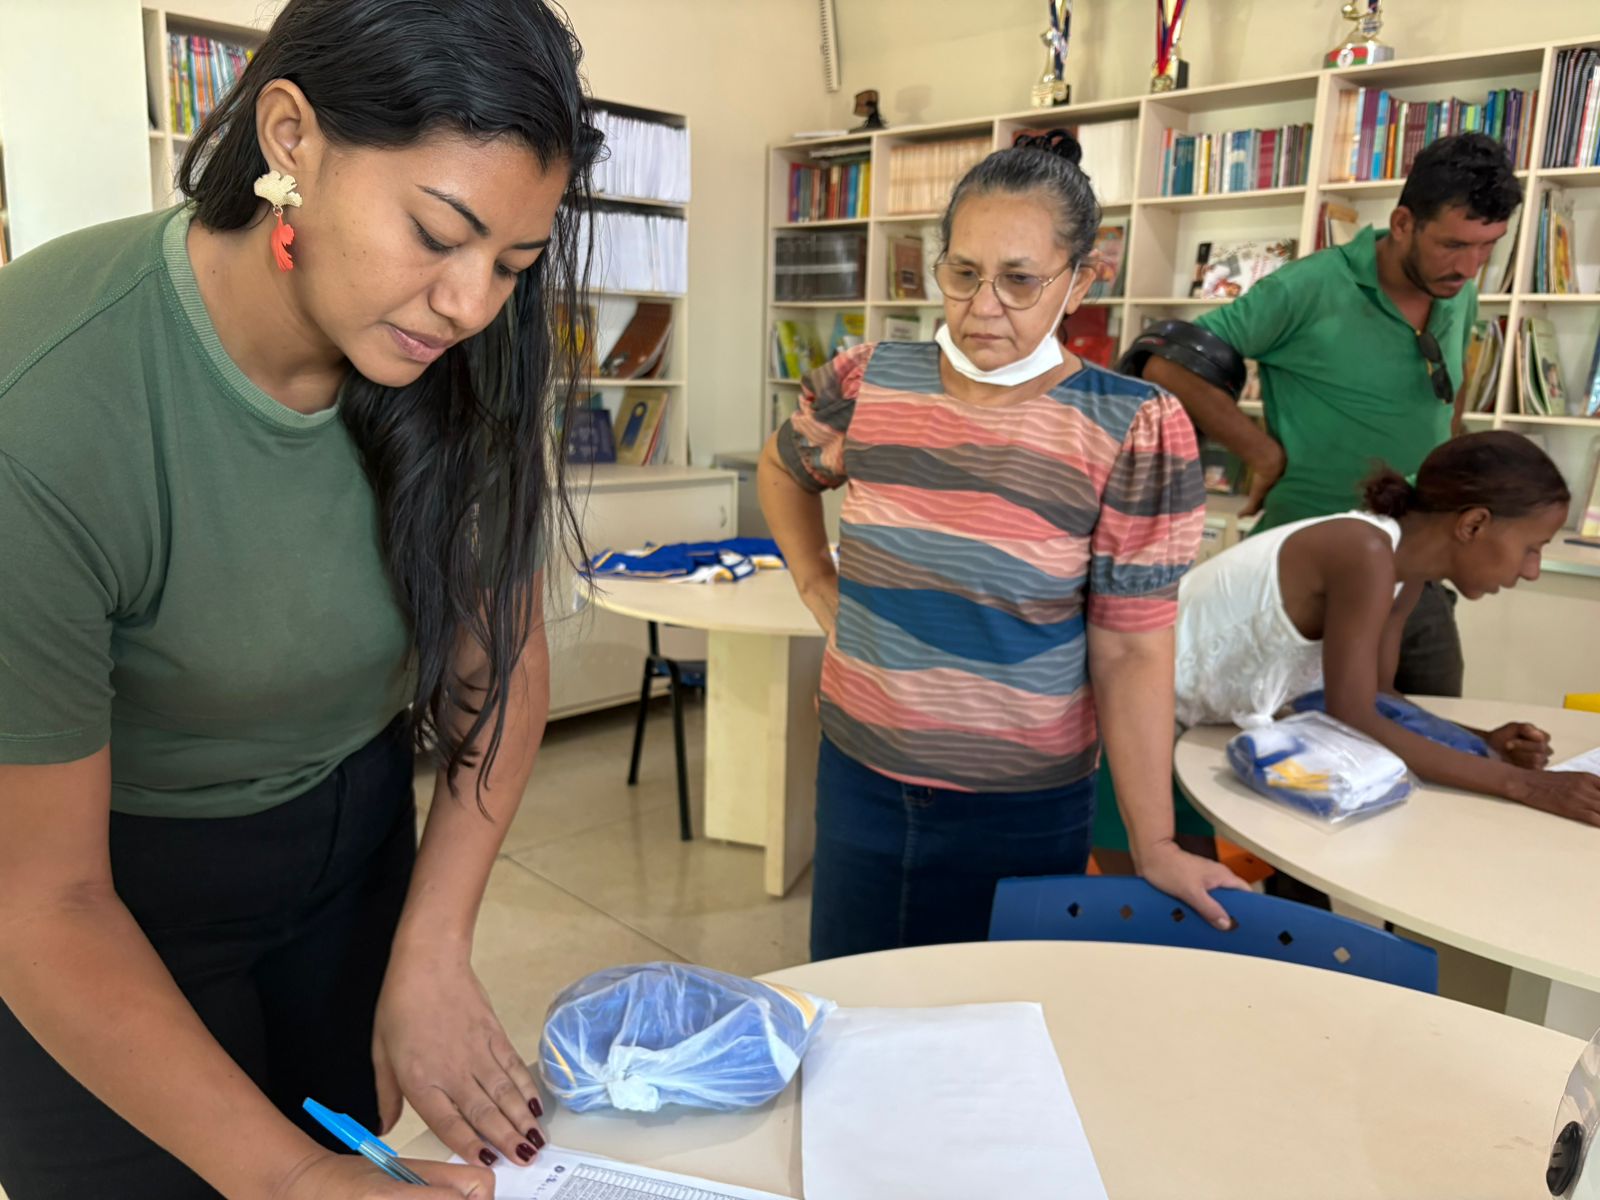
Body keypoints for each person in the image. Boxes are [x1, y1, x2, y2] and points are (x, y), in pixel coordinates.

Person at [0, 2, 603, 1197]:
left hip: (353, 838)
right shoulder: (51, 403)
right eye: (439, 233)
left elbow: (504, 668)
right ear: (291, 138)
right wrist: (284, 1180)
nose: (471, 304)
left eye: (513, 265)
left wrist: (428, 949)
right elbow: (43, 901)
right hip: (113, 895)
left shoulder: (454, 353)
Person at [757, 130, 1248, 963]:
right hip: (859, 775)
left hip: (1018, 807)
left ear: (1083, 278)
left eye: (1021, 280)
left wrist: (1154, 841)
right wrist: (815, 580)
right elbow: (783, 464)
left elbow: (1131, 650)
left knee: (985, 1029)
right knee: (852, 1000)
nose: (985, 307)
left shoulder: (1130, 427)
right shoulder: (871, 380)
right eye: (962, 273)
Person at [1141, 132, 1523, 699]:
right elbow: (1165, 366)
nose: (1470, 267)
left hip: (1418, 567)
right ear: (1402, 224)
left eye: (1487, 247)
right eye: (1453, 245)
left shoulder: (1457, 287)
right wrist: (1261, 453)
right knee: (1301, 748)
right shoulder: (1308, 286)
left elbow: (1449, 394)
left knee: (1430, 735)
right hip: (1311, 576)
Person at [1172, 431, 1600, 825]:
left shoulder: (1405, 575)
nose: (1533, 571)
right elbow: (1353, 715)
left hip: (1204, 726)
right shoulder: (1364, 554)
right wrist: (1526, 785)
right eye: (1532, 548)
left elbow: (1378, 700)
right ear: (1473, 524)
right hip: (1143, 713)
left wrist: (1482, 741)